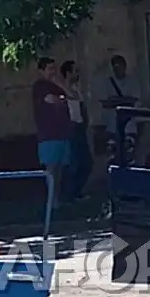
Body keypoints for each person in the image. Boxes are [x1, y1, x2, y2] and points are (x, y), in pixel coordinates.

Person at [31, 57, 72, 204]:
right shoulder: (40, 86)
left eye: (54, 68)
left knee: (60, 171)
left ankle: (58, 200)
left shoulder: (57, 86)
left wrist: (60, 86)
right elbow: (52, 100)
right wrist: (61, 99)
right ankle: (51, 202)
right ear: (41, 71)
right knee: (51, 170)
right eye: (49, 69)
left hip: (63, 133)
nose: (53, 72)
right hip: (48, 135)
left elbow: (71, 97)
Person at [96, 54, 140, 162]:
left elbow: (134, 101)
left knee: (129, 156)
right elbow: (105, 103)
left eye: (120, 66)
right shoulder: (107, 83)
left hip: (129, 127)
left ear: (124, 66)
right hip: (112, 127)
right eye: (115, 67)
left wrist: (115, 100)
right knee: (112, 157)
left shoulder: (132, 82)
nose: (118, 69)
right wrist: (124, 100)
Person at [60, 59, 93, 202]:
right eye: (75, 71)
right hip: (71, 129)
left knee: (86, 162)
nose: (78, 74)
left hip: (80, 128)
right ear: (68, 73)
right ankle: (69, 195)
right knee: (74, 162)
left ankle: (77, 192)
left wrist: (86, 122)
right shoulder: (63, 90)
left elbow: (82, 108)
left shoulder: (76, 89)